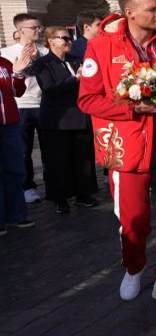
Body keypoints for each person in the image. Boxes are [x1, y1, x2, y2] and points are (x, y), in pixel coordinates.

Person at [78, 0, 156, 307]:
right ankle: (133, 267)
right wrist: (133, 108)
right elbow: (87, 100)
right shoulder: (101, 46)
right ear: (129, 12)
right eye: (152, 9)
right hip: (126, 147)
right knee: (134, 220)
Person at [32, 26, 98, 214]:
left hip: (80, 116)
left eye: (69, 38)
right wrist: (75, 79)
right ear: (51, 41)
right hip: (57, 120)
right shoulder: (43, 63)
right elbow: (49, 88)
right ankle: (60, 198)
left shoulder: (75, 60)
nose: (69, 42)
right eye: (64, 38)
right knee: (58, 160)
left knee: (83, 157)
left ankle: (84, 194)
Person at [0, 14, 49, 204]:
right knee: (24, 151)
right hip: (21, 106)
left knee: (48, 149)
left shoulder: (45, 51)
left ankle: (52, 185)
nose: (38, 30)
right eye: (33, 27)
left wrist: (38, 60)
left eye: (39, 27)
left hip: (43, 104)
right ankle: (28, 187)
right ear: (20, 30)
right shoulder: (6, 53)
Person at [0, 50, 35, 235]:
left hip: (11, 124)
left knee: (15, 170)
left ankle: (16, 215)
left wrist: (19, 73)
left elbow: (17, 92)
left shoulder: (5, 63)